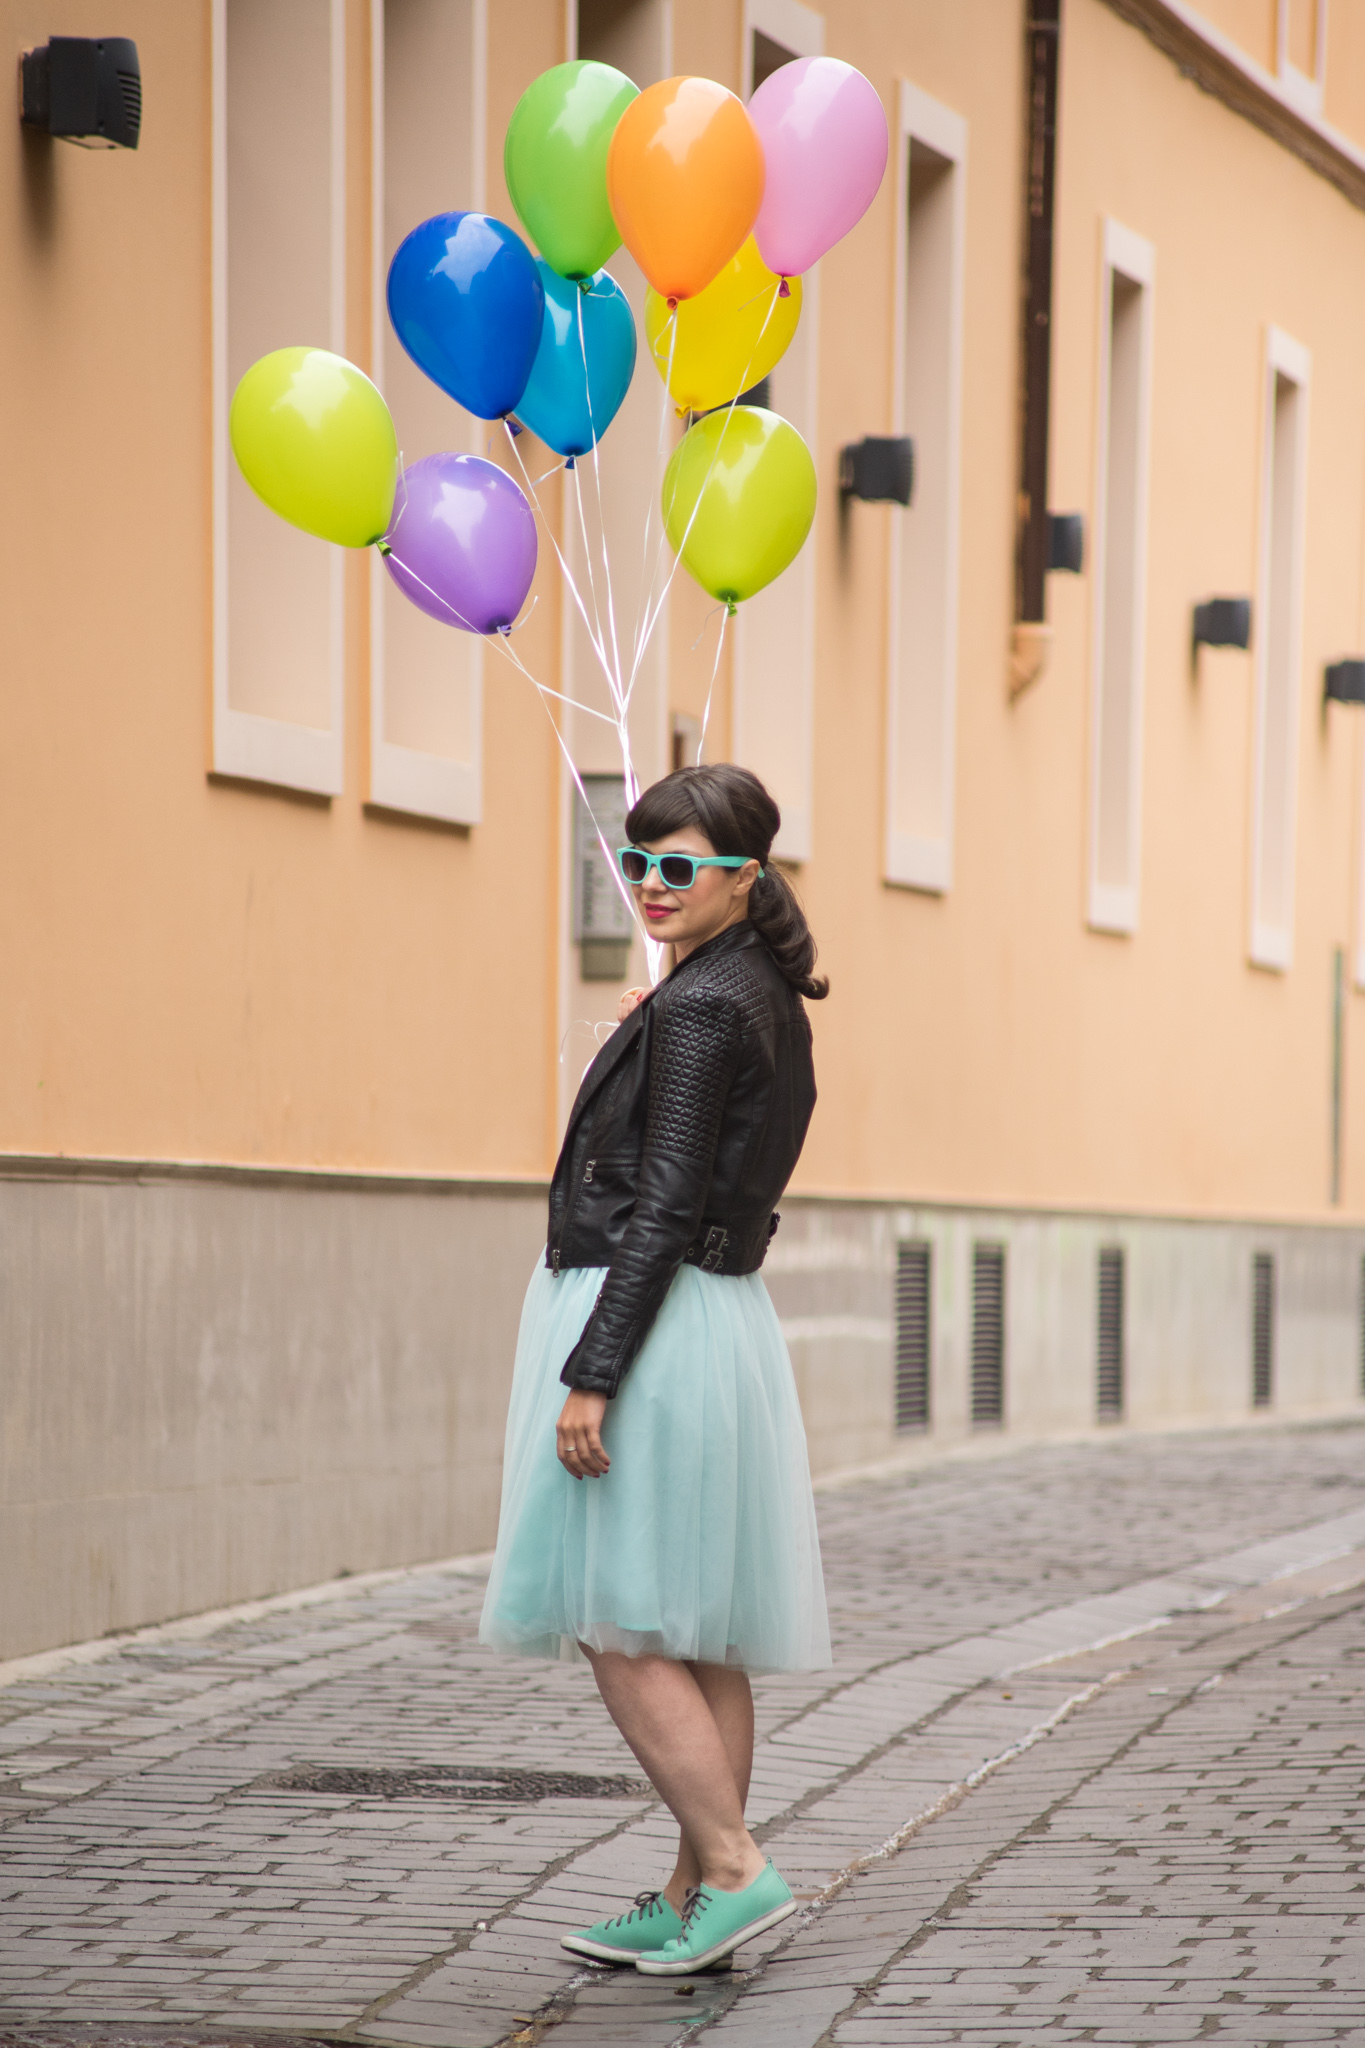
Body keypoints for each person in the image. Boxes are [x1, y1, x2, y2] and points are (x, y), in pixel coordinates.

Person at [479, 762, 831, 1976]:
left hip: (654, 1321)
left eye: (681, 866)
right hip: (711, 1319)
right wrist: (655, 1032)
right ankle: (695, 1891)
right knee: (696, 1628)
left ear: (742, 874)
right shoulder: (755, 993)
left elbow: (668, 1200)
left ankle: (734, 1867)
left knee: (624, 1619)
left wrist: (595, 1369)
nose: (654, 884)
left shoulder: (703, 1006)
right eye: (639, 862)